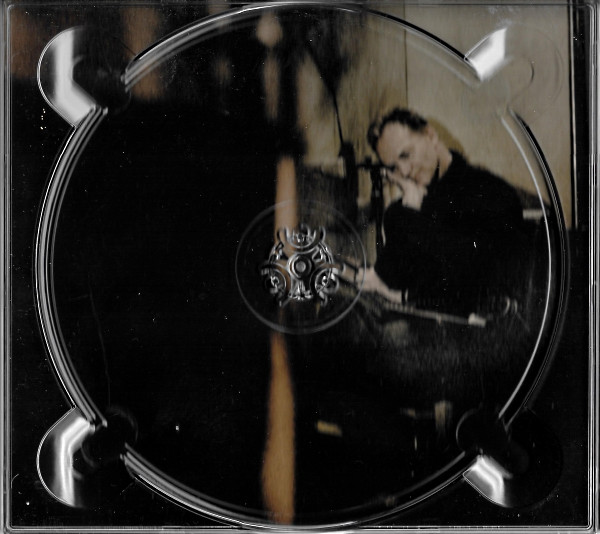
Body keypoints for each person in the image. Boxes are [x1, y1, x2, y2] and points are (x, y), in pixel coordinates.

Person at [363, 108, 527, 313]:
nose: (404, 171)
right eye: (393, 167)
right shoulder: (399, 213)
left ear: (430, 135)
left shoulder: (492, 192)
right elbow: (390, 282)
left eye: (405, 155)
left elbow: (474, 281)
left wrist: (414, 219)